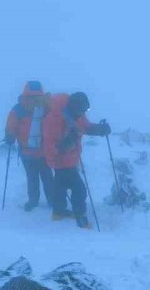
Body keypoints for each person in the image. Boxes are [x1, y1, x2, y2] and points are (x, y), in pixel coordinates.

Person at [43, 91, 111, 228]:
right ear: (74, 107)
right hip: (60, 161)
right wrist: (68, 142)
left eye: (86, 110)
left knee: (60, 186)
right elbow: (51, 147)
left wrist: (100, 129)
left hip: (70, 159)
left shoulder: (76, 114)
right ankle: (80, 215)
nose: (83, 113)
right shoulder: (53, 119)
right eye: (83, 110)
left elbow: (86, 127)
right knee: (79, 188)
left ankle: (58, 212)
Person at [4, 81, 54, 211]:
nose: (34, 100)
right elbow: (11, 125)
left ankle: (38, 201)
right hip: (36, 152)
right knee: (42, 177)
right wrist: (10, 135)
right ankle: (44, 201)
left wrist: (9, 136)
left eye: (36, 97)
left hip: (35, 151)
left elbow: (11, 126)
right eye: (32, 96)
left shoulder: (20, 108)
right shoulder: (44, 106)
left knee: (39, 177)